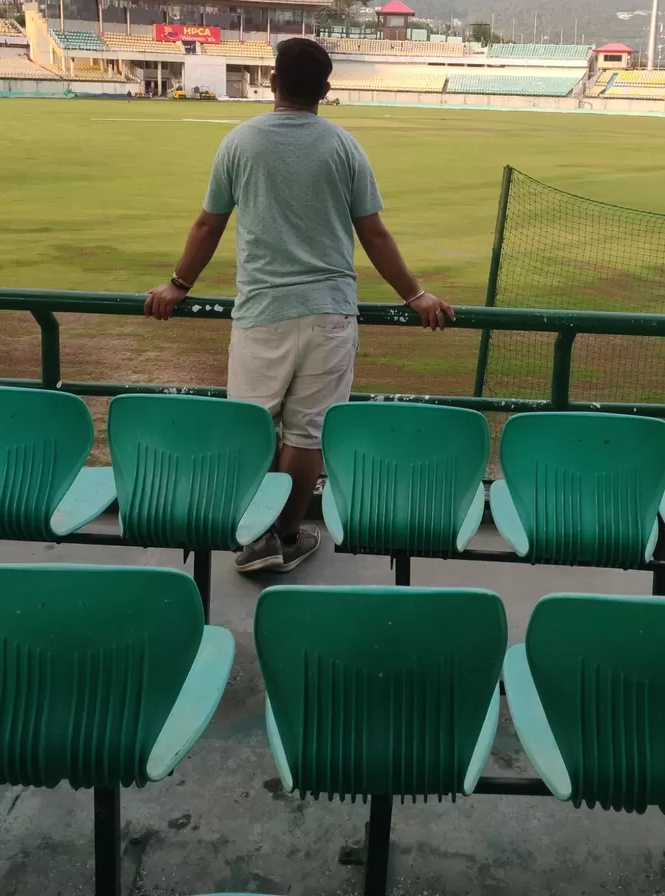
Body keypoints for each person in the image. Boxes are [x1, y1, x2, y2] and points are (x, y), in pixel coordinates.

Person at [144, 36, 455, 574]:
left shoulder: (240, 142)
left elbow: (208, 224)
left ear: (272, 82)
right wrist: (415, 294)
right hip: (329, 312)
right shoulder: (343, 146)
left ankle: (256, 534)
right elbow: (374, 234)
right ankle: (285, 536)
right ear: (326, 89)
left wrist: (178, 284)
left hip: (262, 312)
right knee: (306, 434)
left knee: (254, 427)